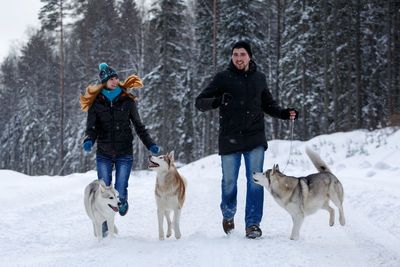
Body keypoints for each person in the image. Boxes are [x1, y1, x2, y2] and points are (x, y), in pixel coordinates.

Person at [195, 41, 298, 239]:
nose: (239, 58)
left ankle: (252, 224)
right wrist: (217, 101)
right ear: (231, 57)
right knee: (229, 182)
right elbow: (200, 103)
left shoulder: (259, 78)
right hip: (229, 139)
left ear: (249, 56)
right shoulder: (223, 78)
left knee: (255, 182)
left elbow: (268, 104)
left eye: (242, 54)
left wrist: (285, 113)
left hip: (254, 138)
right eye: (235, 54)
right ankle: (228, 213)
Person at [80, 63, 160, 236]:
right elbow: (91, 128)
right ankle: (104, 225)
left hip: (124, 152)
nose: (115, 81)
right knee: (104, 187)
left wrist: (150, 144)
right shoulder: (96, 104)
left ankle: (122, 200)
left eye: (116, 78)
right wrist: (89, 140)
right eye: (111, 79)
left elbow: (139, 126)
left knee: (120, 188)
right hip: (104, 153)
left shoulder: (127, 101)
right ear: (104, 82)